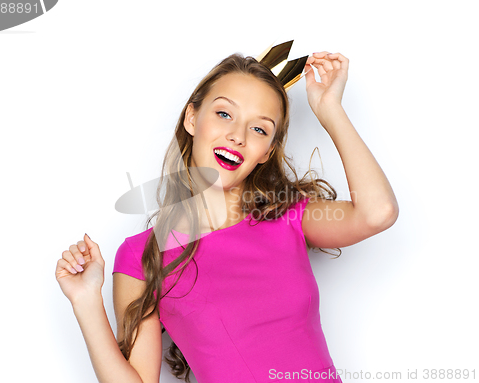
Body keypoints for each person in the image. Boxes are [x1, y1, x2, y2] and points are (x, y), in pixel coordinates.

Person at [56, 48, 399, 383]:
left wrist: (330, 110)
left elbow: (377, 213)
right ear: (192, 118)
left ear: (266, 152)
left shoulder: (288, 217)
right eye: (224, 114)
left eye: (259, 129)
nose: (237, 136)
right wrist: (86, 302)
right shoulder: (143, 256)